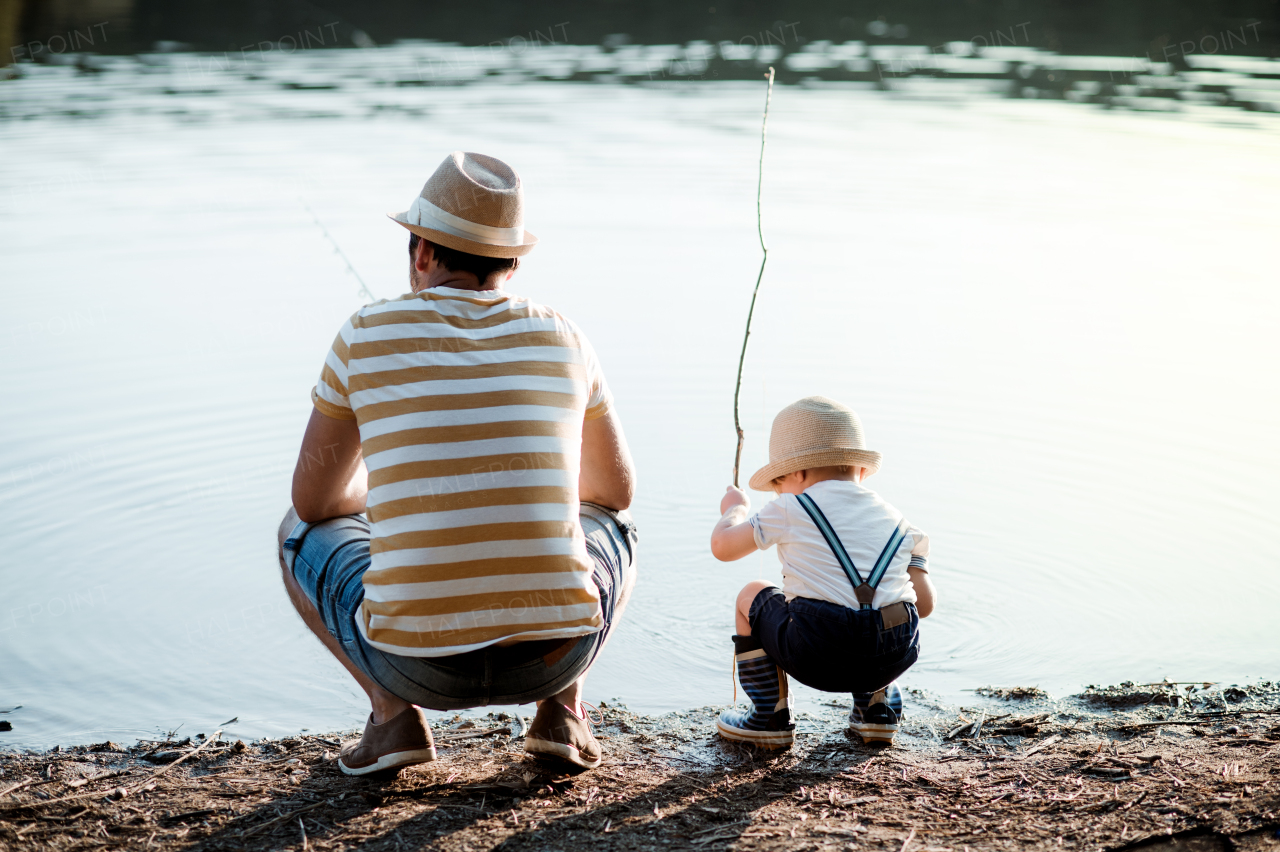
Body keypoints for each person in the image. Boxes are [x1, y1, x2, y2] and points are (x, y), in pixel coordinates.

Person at [277, 151, 637, 775]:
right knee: (615, 525)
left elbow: (313, 504)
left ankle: (393, 716)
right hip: (556, 654)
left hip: (416, 666)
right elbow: (614, 490)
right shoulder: (564, 336)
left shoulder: (364, 334)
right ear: (513, 260)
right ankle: (563, 711)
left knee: (292, 534)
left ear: (421, 253)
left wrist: (396, 495)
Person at [708, 396, 935, 747]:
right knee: (883, 607)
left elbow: (722, 547)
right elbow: (924, 605)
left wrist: (735, 509)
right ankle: (876, 712)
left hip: (818, 653)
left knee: (751, 593)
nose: (779, 492)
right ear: (860, 471)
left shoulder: (790, 507)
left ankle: (770, 717)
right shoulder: (900, 522)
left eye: (778, 483)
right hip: (894, 656)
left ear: (797, 473)